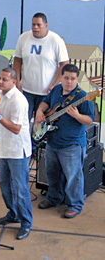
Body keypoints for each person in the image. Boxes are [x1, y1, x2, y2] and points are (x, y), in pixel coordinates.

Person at [35, 64, 94, 219]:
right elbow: (45, 102)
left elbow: (89, 120)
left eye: (73, 79)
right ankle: (54, 198)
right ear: (61, 77)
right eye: (66, 78)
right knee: (52, 173)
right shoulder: (56, 90)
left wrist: (77, 116)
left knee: (73, 176)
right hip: (53, 141)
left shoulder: (83, 97)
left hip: (72, 144)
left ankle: (75, 205)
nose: (69, 82)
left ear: (77, 79)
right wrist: (40, 111)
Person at [0, 67, 33, 240]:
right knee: (4, 185)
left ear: (14, 82)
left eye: (4, 79)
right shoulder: (0, 93)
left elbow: (16, 128)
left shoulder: (19, 101)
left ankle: (26, 223)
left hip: (17, 151)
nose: (0, 82)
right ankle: (13, 214)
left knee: (21, 189)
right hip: (4, 148)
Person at [13, 12, 69, 121]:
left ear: (46, 25)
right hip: (26, 90)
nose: (35, 27)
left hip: (46, 93)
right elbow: (17, 60)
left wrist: (54, 85)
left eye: (39, 25)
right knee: (23, 121)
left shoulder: (56, 40)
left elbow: (64, 64)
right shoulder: (23, 38)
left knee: (40, 125)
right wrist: (17, 80)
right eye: (33, 24)